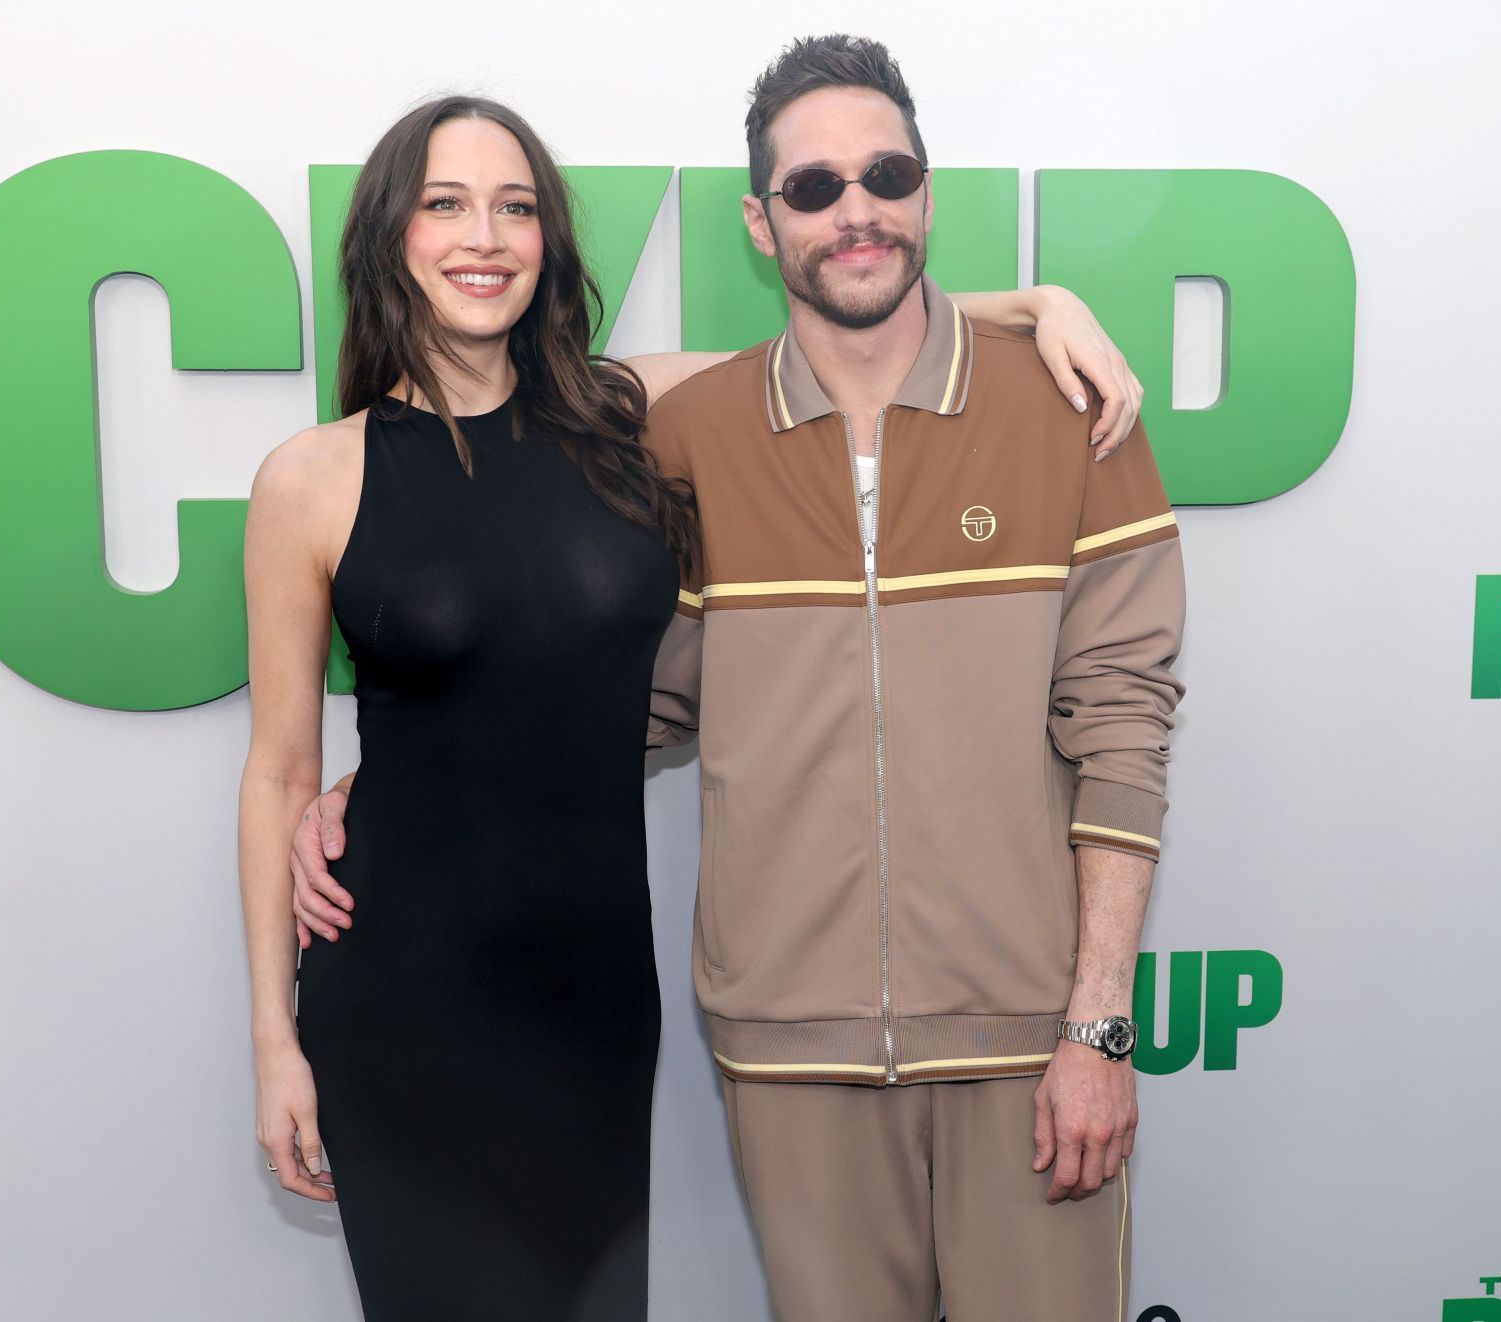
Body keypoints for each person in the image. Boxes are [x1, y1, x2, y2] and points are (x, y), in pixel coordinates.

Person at [250, 93, 1146, 1322]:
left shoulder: (618, 409)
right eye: (445, 204)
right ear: (388, 236)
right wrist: (273, 1038)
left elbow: (850, 325)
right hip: (405, 996)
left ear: (549, 245)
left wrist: (1046, 306)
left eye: (517, 207)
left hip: (592, 997)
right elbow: (276, 774)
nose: (485, 235)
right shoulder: (309, 477)